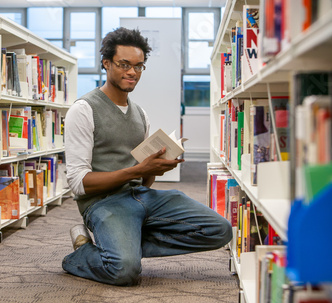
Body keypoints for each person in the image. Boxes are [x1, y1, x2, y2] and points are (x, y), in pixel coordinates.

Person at [62, 27, 233, 286]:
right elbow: (78, 183)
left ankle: (122, 244)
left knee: (220, 230)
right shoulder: (83, 110)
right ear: (106, 64)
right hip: (104, 203)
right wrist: (138, 170)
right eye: (124, 64)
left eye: (139, 66)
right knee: (124, 271)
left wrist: (155, 168)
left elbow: (144, 183)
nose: (132, 72)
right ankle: (82, 253)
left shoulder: (140, 114)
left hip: (140, 197)